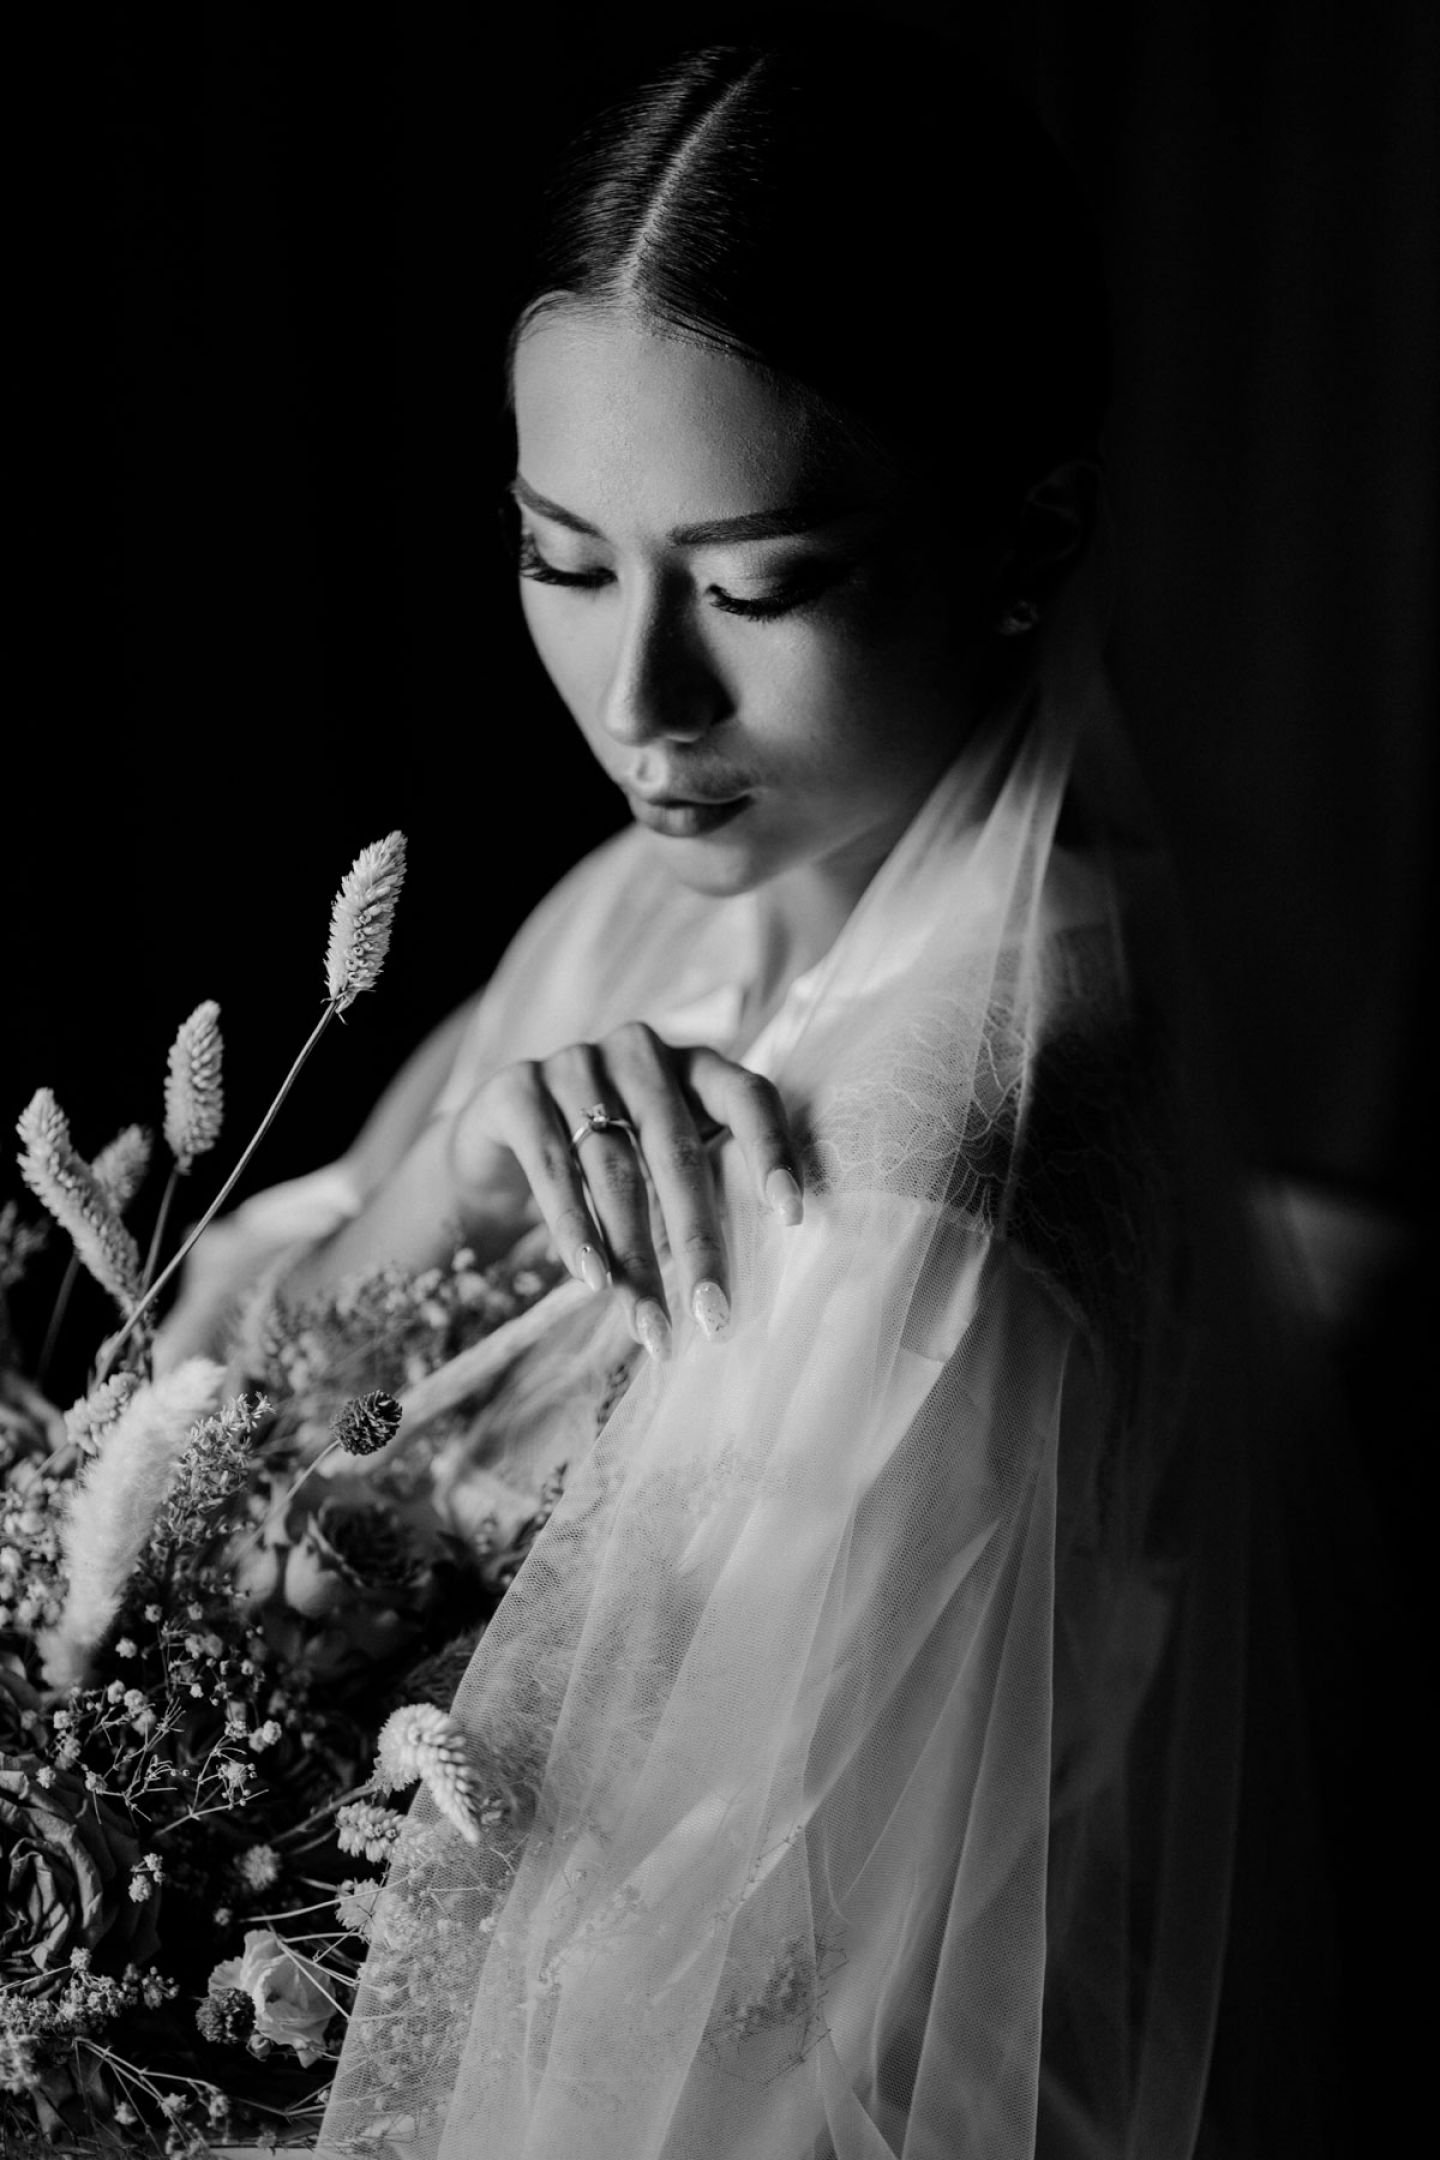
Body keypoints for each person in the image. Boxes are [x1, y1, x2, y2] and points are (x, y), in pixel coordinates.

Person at [159, 25, 1319, 2159]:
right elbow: (206, 1426)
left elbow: (675, 2031)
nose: (641, 701)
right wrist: (468, 1173)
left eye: (759, 586)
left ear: (1031, 533)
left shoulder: (926, 1179)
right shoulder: (659, 904)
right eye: (564, 558)